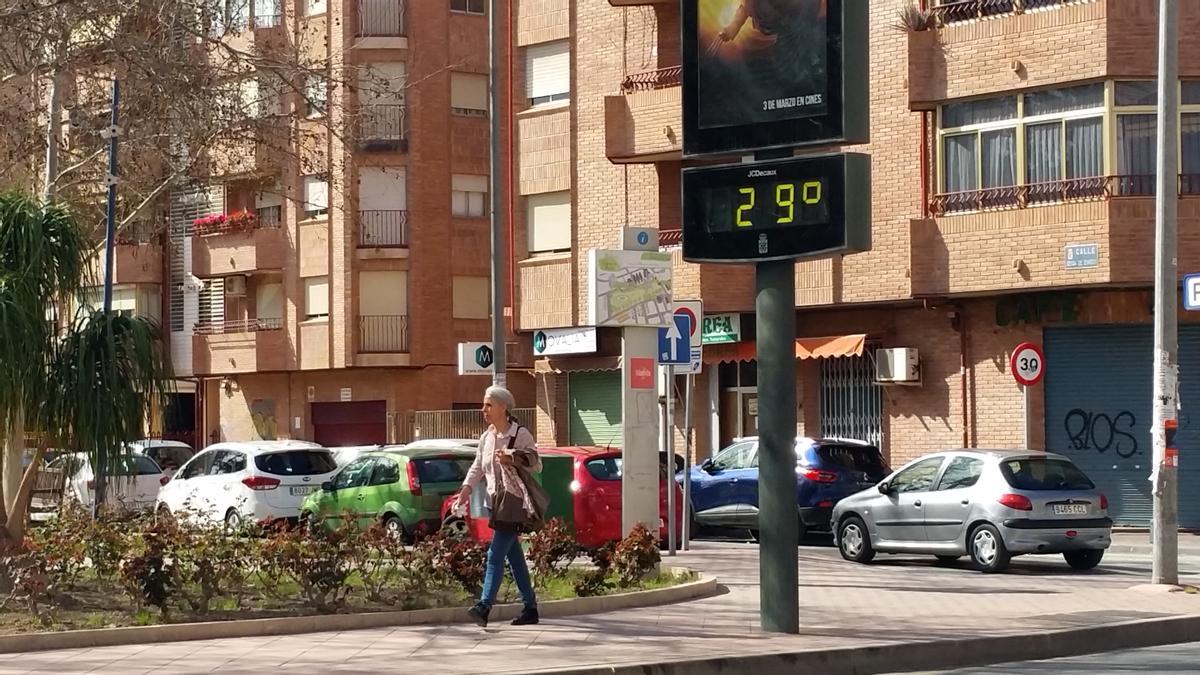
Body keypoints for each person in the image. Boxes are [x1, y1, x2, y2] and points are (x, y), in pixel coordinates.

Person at [456, 385, 542, 627]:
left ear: (503, 407)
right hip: (495, 502)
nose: (483, 409)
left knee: (495, 555)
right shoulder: (487, 437)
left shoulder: (520, 434)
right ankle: (530, 607)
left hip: (514, 503)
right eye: (484, 404)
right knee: (514, 556)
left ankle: (484, 606)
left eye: (488, 405)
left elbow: (536, 464)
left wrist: (512, 457)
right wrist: (465, 489)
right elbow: (477, 467)